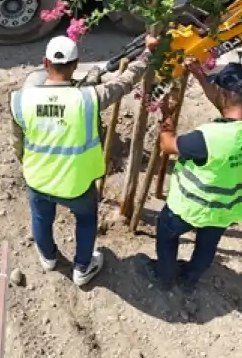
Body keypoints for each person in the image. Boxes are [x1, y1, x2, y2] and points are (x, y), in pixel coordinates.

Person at [10, 34, 160, 287]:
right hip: (76, 183)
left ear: (45, 63)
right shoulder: (89, 99)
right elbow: (125, 82)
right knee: (86, 219)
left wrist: (28, 165)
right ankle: (82, 267)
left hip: (37, 178)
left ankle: (48, 258)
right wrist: (146, 55)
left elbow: (18, 143)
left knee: (40, 218)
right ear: (75, 65)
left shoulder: (21, 100)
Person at [145, 59, 242, 293]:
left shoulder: (209, 137)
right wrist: (200, 76)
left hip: (191, 206)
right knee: (207, 245)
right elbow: (225, 107)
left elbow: (167, 145)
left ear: (224, 94)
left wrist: (166, 117)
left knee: (166, 231)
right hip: (226, 208)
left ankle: (165, 275)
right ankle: (189, 280)